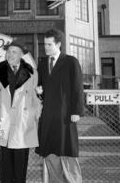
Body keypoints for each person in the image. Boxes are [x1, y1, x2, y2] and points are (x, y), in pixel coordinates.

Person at [35, 29, 84, 183]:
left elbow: (77, 88)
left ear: (59, 44)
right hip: (48, 117)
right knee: (50, 155)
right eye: (45, 44)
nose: (46, 47)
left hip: (65, 116)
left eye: (50, 44)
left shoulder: (71, 61)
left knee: (68, 154)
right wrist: (39, 91)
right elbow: (41, 87)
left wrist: (77, 111)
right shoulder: (42, 64)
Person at [0, 40, 42, 183]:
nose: (10, 54)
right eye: (8, 52)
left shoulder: (32, 72)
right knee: (5, 167)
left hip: (22, 122)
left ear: (21, 54)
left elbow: (36, 97)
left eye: (14, 52)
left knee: (20, 167)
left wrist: (34, 115)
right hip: (5, 121)